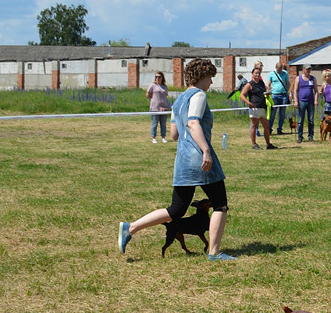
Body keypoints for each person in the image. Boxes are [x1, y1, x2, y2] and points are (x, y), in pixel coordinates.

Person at [119, 58, 234, 260]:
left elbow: (174, 134)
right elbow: (193, 123)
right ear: (202, 77)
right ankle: (214, 253)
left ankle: (131, 227)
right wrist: (206, 150)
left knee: (177, 209)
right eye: (210, 78)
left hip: (182, 160)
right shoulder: (199, 95)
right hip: (199, 157)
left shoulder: (178, 99)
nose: (211, 83)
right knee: (220, 204)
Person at [242, 66, 277, 150]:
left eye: (258, 73)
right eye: (256, 73)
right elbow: (242, 95)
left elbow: (264, 91)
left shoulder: (261, 83)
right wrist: (249, 103)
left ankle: (268, 144)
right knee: (254, 125)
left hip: (263, 107)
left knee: (266, 126)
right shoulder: (249, 84)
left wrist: (267, 93)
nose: (257, 74)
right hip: (255, 107)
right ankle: (254, 144)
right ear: (252, 74)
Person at [292, 64, 316, 142]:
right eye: (306, 69)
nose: (308, 71)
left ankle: (310, 136)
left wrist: (316, 100)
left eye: (309, 69)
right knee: (300, 120)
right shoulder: (298, 78)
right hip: (301, 101)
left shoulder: (313, 78)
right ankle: (300, 136)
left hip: (310, 101)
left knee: (311, 120)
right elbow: (295, 90)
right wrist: (296, 101)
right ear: (303, 69)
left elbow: (316, 91)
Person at [267, 61, 291, 136]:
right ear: (276, 68)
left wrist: (289, 92)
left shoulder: (285, 73)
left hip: (283, 95)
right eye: (278, 69)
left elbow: (288, 83)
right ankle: (269, 128)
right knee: (273, 113)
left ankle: (280, 128)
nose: (280, 71)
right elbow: (268, 84)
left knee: (282, 113)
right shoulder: (272, 74)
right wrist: (268, 92)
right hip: (275, 95)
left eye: (281, 69)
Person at [146, 70, 170, 144]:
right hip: (155, 108)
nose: (157, 78)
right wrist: (153, 100)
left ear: (162, 78)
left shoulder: (164, 86)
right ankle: (153, 137)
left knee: (163, 123)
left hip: (163, 107)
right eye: (156, 77)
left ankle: (163, 137)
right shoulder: (152, 85)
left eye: (159, 77)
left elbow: (165, 95)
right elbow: (147, 95)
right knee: (154, 123)